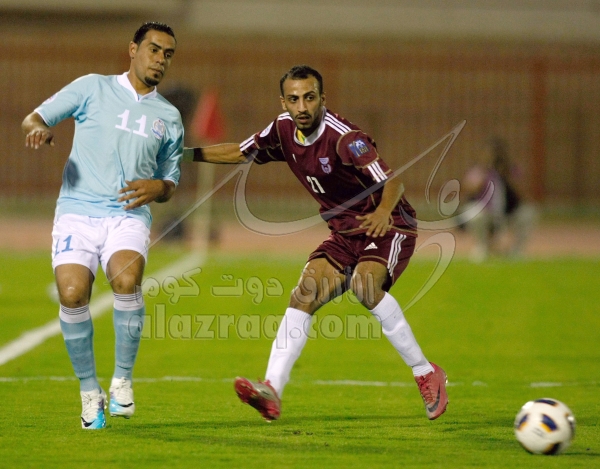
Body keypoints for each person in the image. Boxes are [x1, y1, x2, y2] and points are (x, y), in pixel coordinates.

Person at [191, 65, 448, 421]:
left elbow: (393, 181)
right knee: (304, 294)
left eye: (309, 97)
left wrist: (382, 212)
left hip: (388, 227)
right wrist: (186, 154)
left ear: (322, 99)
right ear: (283, 102)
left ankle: (426, 372)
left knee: (365, 286)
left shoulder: (345, 138)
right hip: (344, 233)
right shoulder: (282, 129)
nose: (302, 106)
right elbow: (240, 152)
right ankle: (271, 390)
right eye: (294, 99)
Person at [21, 22, 183, 429]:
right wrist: (38, 130)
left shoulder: (169, 117)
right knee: (72, 293)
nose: (160, 60)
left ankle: (122, 381)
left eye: (167, 54)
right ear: (133, 49)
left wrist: (159, 187)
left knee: (126, 280)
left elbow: (171, 182)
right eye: (153, 49)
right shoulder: (92, 87)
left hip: (127, 214)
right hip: (77, 211)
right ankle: (89, 392)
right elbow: (34, 118)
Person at [461, 138, 537, 262]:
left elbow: (523, 193)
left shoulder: (511, 170)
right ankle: (482, 247)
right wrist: (485, 173)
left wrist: (506, 175)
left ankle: (517, 250)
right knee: (474, 214)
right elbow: (469, 188)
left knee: (528, 213)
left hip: (508, 211)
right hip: (486, 212)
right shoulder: (479, 170)